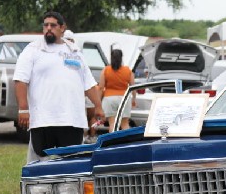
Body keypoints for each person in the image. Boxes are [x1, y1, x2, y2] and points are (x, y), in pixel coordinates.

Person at [13, 11, 104, 163]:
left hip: (72, 119)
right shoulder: (33, 50)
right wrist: (23, 109)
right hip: (43, 119)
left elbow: (88, 84)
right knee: (41, 162)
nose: (48, 28)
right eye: (45, 25)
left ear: (62, 28)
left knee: (71, 163)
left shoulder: (75, 52)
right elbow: (20, 80)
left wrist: (99, 107)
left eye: (53, 25)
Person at [99, 49, 135, 132]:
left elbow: (101, 87)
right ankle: (127, 142)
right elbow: (133, 86)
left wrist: (99, 101)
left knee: (112, 123)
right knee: (125, 123)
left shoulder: (106, 70)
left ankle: (113, 143)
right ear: (121, 58)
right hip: (124, 98)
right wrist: (133, 99)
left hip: (109, 98)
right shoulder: (128, 70)